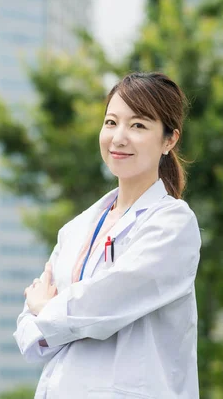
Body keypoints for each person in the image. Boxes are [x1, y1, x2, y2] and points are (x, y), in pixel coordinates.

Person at [13, 72, 201, 398]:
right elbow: (29, 333)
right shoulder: (75, 230)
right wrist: (50, 313)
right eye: (111, 122)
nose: (119, 137)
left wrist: (48, 309)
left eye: (138, 125)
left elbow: (109, 301)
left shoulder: (172, 224)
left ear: (169, 140)